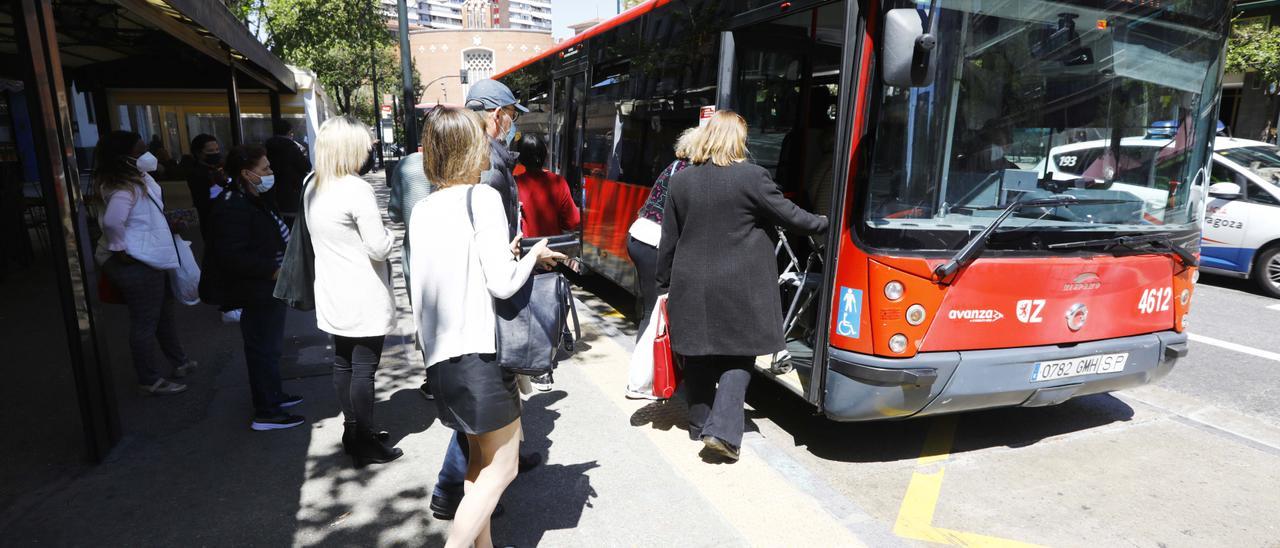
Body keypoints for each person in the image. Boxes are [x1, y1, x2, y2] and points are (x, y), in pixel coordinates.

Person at [409, 106, 565, 548]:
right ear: (469, 148)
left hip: (441, 356)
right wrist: (533, 256)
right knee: (504, 466)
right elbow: (501, 282)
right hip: (479, 352)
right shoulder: (482, 197)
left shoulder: (423, 208)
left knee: (479, 461)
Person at [655, 111, 828, 462]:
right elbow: (794, 218)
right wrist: (828, 222)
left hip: (691, 283)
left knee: (699, 353)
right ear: (738, 141)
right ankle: (723, 432)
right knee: (738, 354)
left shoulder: (682, 181)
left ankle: (699, 422)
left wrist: (662, 283)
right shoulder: (752, 177)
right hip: (739, 286)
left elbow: (668, 240)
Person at [306, 116, 402, 467]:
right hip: (362, 291)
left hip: (331, 288)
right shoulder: (355, 188)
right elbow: (378, 247)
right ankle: (365, 437)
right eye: (363, 144)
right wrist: (391, 234)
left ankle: (352, 430)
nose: (368, 150)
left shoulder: (312, 186)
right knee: (364, 368)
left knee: (342, 363)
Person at [202, 145, 305, 431]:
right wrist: (273, 271)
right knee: (262, 349)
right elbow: (232, 255)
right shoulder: (232, 204)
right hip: (258, 289)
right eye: (265, 169)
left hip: (269, 288)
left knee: (270, 349)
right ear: (247, 174)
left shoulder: (253, 198)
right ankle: (267, 411)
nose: (271, 173)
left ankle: (273, 397)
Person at [94, 130, 196, 396]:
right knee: (147, 320)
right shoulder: (124, 186)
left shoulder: (134, 179)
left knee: (162, 313)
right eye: (140, 151)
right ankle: (149, 379)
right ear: (125, 157)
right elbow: (112, 221)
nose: (147, 154)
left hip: (149, 255)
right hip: (139, 259)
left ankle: (179, 361)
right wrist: (119, 247)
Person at [625, 127, 698, 400]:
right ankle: (641, 382)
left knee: (650, 309)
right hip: (652, 242)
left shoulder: (676, 165)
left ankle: (647, 377)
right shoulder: (687, 173)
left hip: (640, 236)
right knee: (654, 312)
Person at [514, 133, 579, 238]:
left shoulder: (515, 184)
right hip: (553, 248)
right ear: (544, 154)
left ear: (520, 158)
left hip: (526, 250)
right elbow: (573, 221)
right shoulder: (559, 182)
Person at [264, 119, 312, 222]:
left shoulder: (267, 147)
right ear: (289, 132)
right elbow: (306, 166)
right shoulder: (292, 148)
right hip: (292, 192)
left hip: (274, 192)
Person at [184, 134, 226, 245]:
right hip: (211, 221)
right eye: (210, 151)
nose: (215, 153)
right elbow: (206, 200)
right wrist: (218, 183)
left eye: (217, 149)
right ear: (199, 153)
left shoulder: (218, 168)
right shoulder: (197, 173)